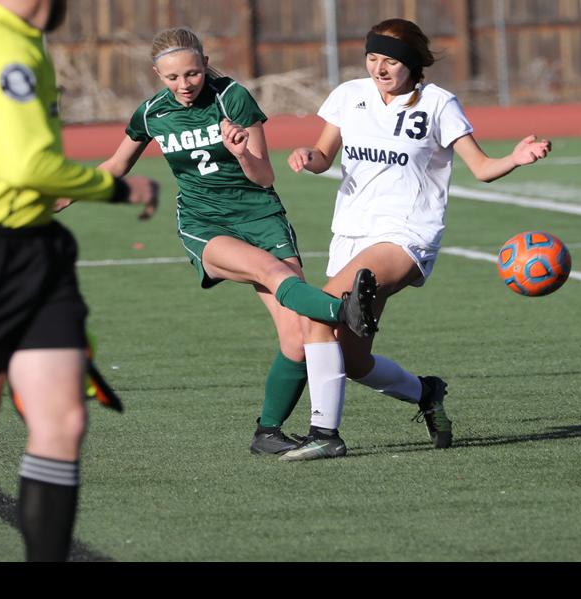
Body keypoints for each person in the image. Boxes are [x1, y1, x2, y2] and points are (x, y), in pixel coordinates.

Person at [0, 0, 160, 561]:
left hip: (34, 255)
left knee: (62, 421)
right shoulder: (1, 45)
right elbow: (27, 165)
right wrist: (120, 187)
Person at [66, 26, 379, 456]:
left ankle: (267, 432)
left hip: (260, 214)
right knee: (270, 273)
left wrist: (241, 153)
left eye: (192, 74)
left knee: (297, 338)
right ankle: (342, 309)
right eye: (172, 78)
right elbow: (117, 164)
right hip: (204, 222)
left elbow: (264, 176)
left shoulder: (232, 98)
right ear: (157, 75)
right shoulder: (151, 113)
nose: (183, 85)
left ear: (206, 65)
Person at [281, 18, 552, 460]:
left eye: (391, 61)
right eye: (372, 58)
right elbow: (323, 155)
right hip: (351, 233)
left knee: (318, 316)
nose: (379, 69)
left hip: (407, 235)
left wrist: (516, 158)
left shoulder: (440, 105)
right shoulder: (349, 96)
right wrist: (308, 156)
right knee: (351, 361)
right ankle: (426, 393)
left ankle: (324, 435)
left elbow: (481, 169)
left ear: (413, 64)